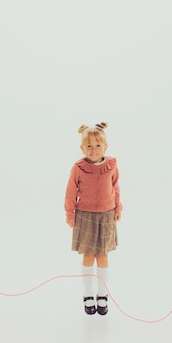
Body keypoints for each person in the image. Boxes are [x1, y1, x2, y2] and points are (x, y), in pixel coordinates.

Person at [65, 122, 122, 316]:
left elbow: (115, 187)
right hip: (86, 216)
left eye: (98, 145)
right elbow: (71, 191)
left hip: (106, 215)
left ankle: (102, 293)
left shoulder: (111, 166)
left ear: (105, 146)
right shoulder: (78, 168)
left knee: (103, 256)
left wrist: (118, 207)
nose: (94, 149)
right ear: (82, 148)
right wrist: (70, 213)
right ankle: (88, 294)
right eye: (89, 146)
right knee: (89, 256)